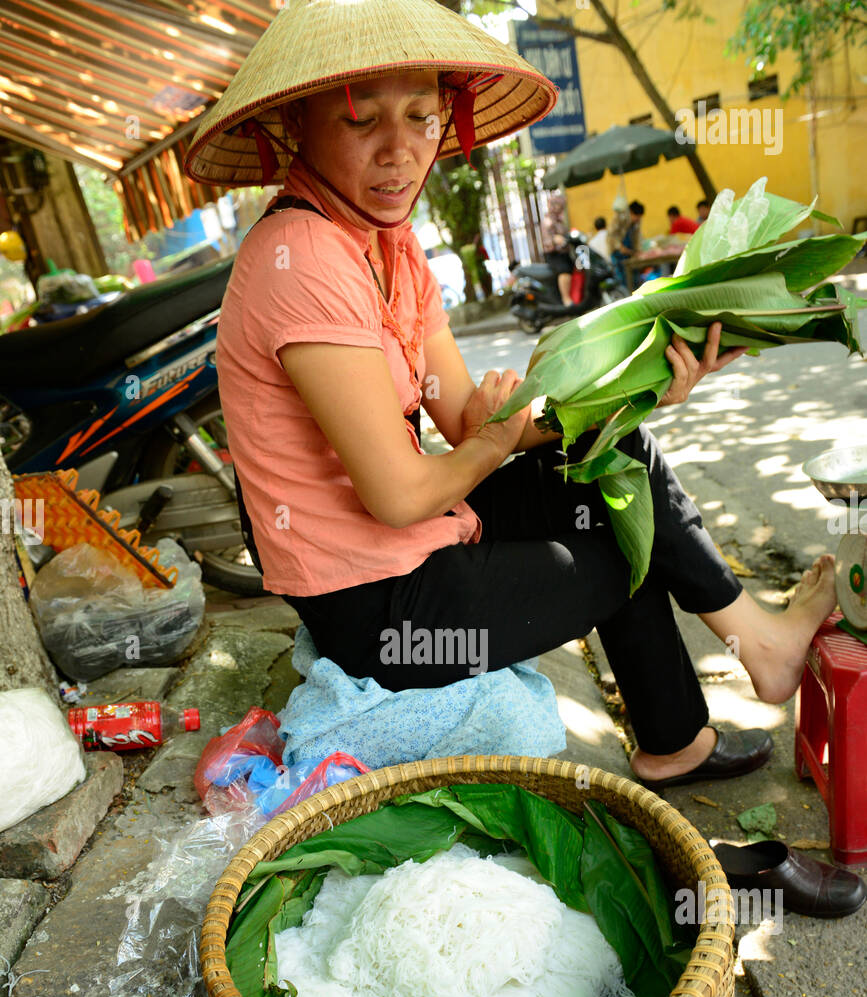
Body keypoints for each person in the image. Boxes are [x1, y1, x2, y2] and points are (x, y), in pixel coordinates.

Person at [188, 0, 838, 790]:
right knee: (617, 552)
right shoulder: (301, 254)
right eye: (364, 121)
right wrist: (490, 443)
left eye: (422, 116)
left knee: (609, 458)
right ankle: (740, 665)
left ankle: (689, 726)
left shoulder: (390, 247)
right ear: (297, 126)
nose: (400, 149)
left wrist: (636, 388)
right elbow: (399, 493)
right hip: (376, 604)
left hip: (428, 532)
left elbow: (465, 415)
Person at [539, 189, 574, 307]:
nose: (560, 207)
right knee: (564, 270)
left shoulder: (560, 221)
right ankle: (566, 299)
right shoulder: (548, 221)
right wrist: (555, 239)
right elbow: (548, 239)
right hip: (554, 255)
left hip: (564, 253)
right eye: (558, 204)